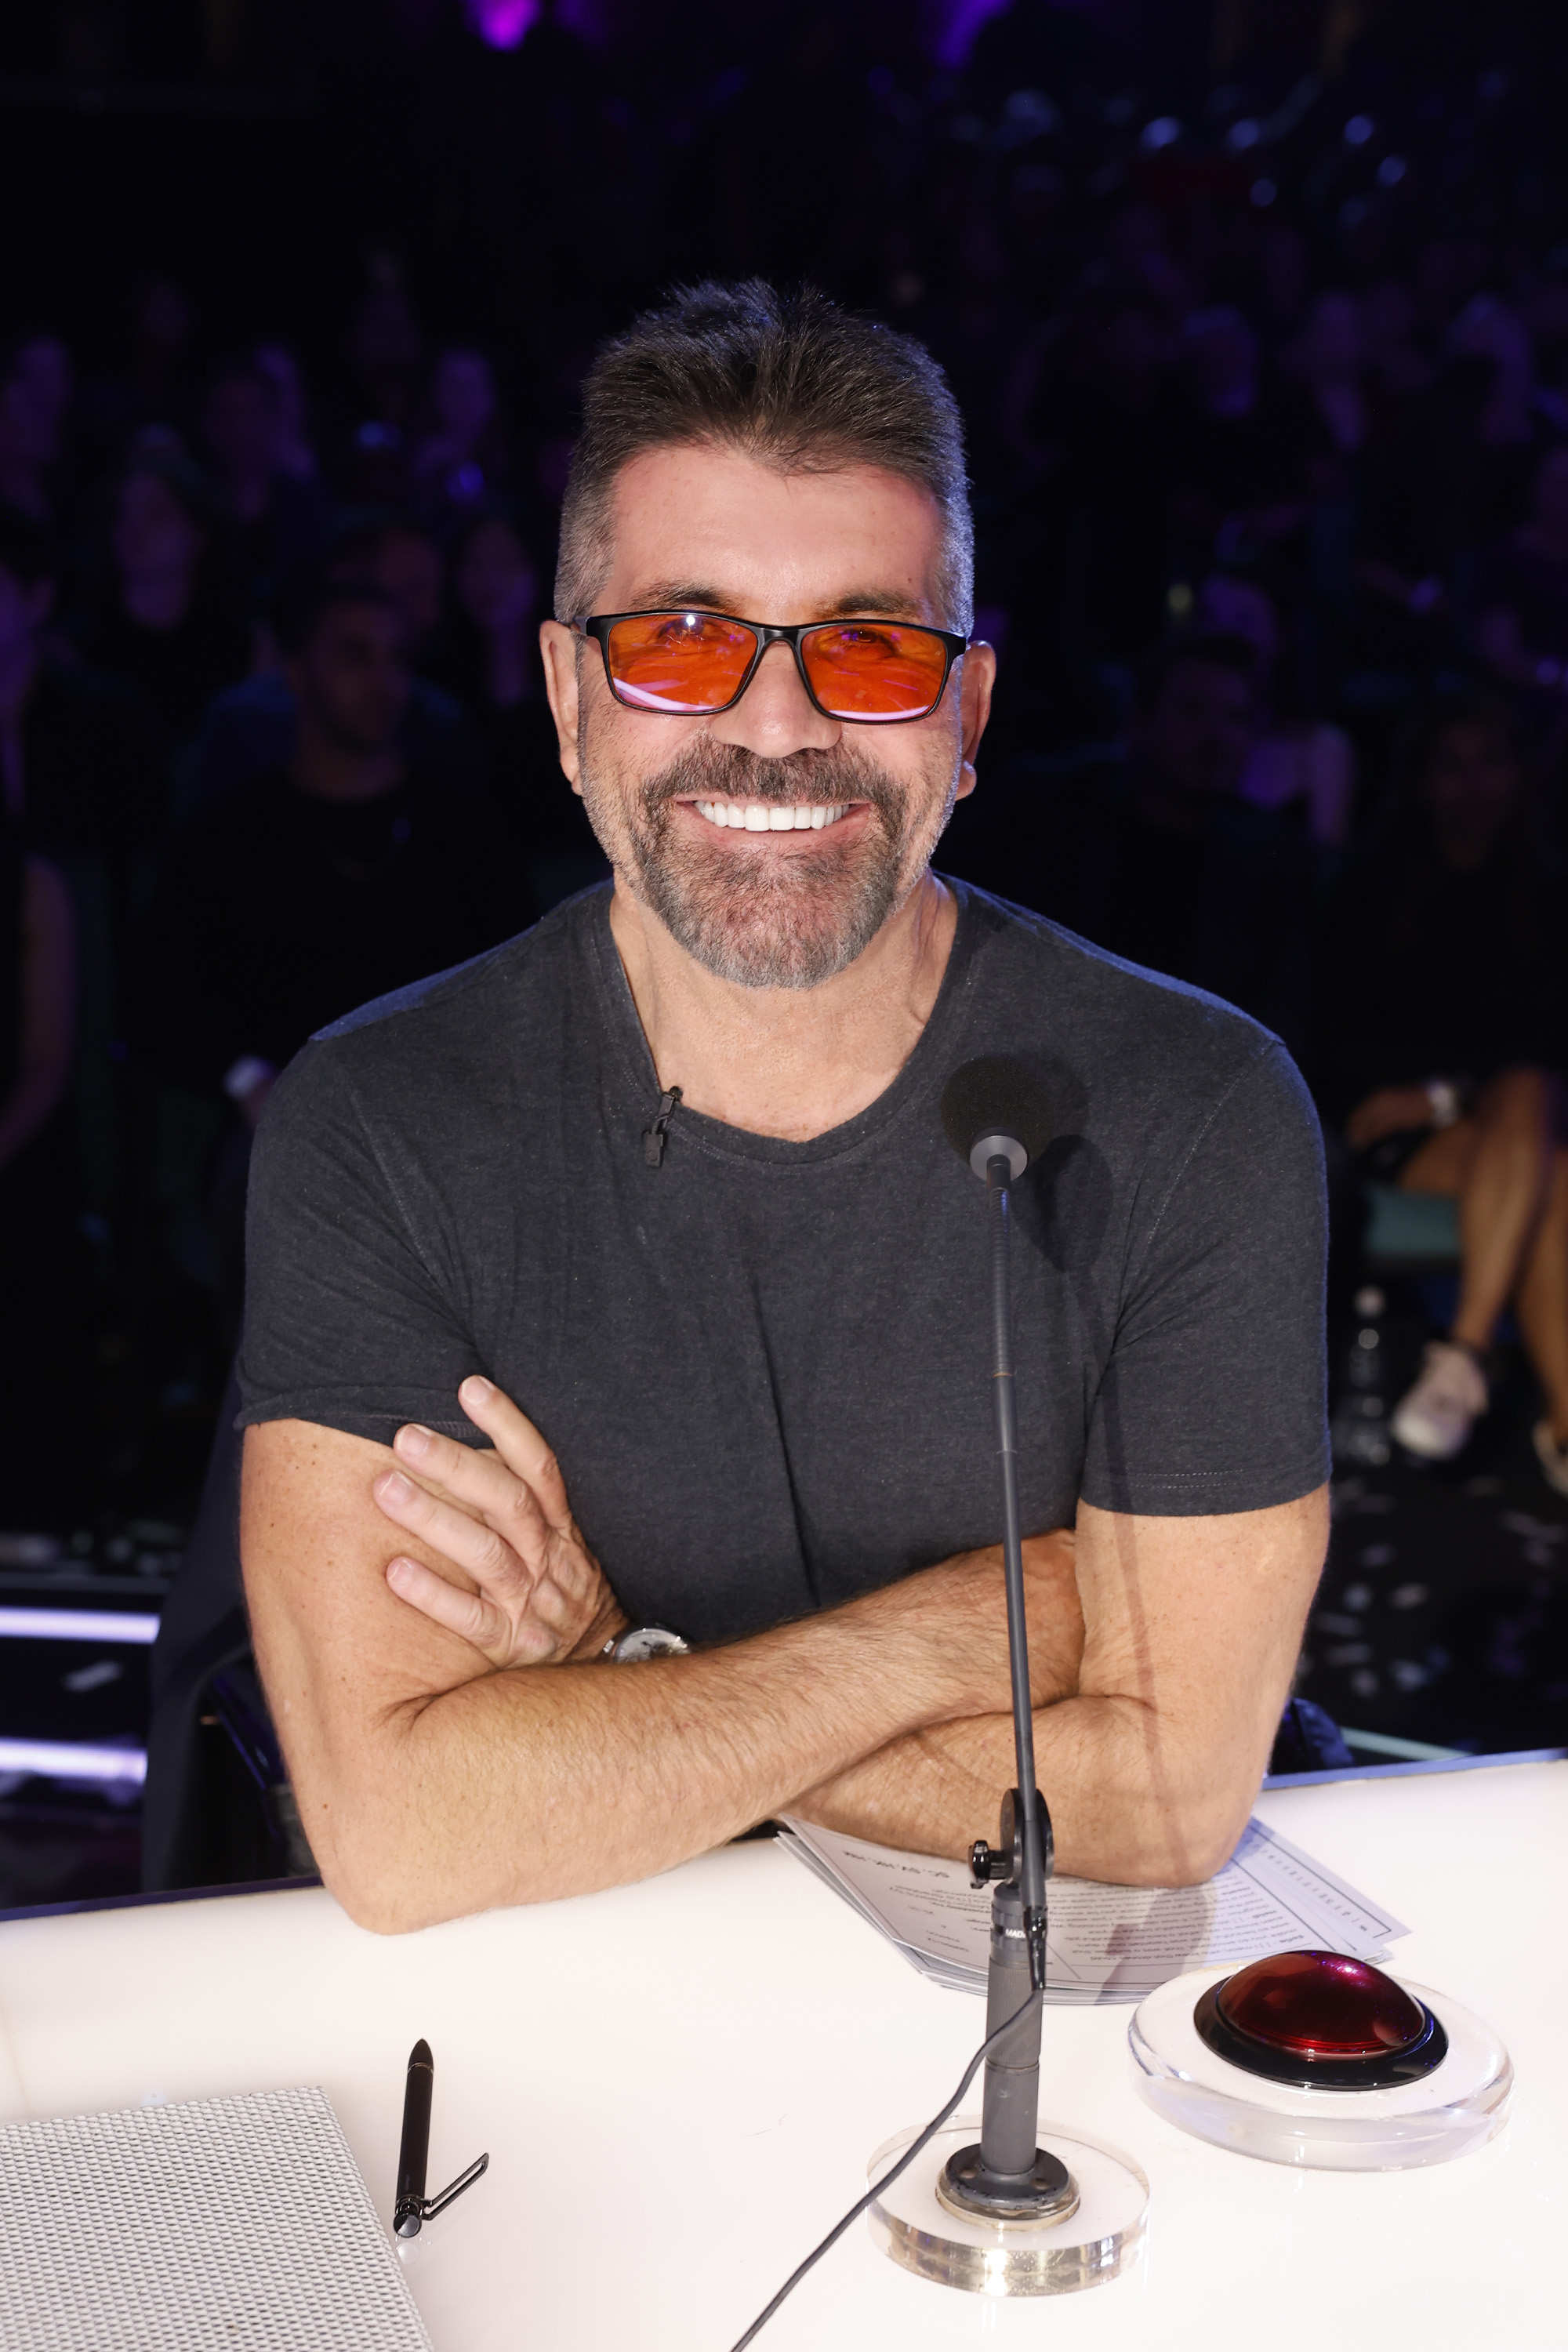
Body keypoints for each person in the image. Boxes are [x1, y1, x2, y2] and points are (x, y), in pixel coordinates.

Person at [236, 282, 1328, 1936]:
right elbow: (402, 1827)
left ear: (965, 716)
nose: (777, 724)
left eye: (868, 648)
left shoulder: (1196, 1108)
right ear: (565, 697)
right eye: (681, 640)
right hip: (590, 2009)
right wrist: (979, 1629)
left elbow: (1169, 1798)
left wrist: (618, 1681)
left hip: (1070, 2002)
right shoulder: (380, 1121)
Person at [1318, 693, 1568, 1478]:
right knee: (1546, 1165)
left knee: (1530, 1103)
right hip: (1396, 1132)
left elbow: (1547, 1041)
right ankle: (1547, 1428)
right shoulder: (1368, 891)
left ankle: (1463, 1355)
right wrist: (1436, 1098)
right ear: (1421, 782)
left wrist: (1446, 1091)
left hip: (1500, 1118)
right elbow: (1335, 1039)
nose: (1474, 784)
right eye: (1453, 766)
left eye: (1490, 762)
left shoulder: (1549, 891)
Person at [1064, 633, 1318, 1063]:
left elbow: (1288, 1010)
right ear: (1142, 721)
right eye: (1193, 711)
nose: (1216, 736)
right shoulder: (1062, 815)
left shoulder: (1272, 858)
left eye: (1236, 717)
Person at [74, 451, 254, 766]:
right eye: (122, 513)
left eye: (155, 513)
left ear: (198, 532)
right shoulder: (73, 651)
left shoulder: (245, 643)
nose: (134, 527)